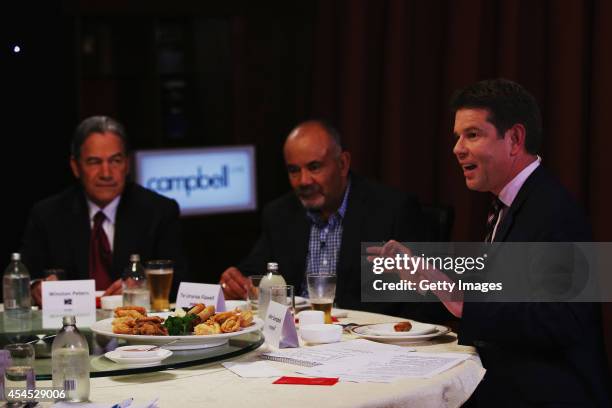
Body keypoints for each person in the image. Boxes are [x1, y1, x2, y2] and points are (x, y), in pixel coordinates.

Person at [373, 79, 610, 406]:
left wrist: (458, 298)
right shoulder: (512, 202)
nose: (457, 149)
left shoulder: (554, 209)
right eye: (457, 137)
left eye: (472, 134)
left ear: (514, 139)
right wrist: (424, 276)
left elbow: (561, 321)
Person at [220, 120, 438, 317]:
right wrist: (236, 282)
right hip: (297, 337)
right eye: (294, 170)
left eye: (314, 167)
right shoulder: (279, 214)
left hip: (367, 340)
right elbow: (255, 272)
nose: (303, 180)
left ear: (343, 163)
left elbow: (424, 296)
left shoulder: (393, 210)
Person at [21, 116, 186, 306]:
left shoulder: (159, 211)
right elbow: (25, 277)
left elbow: (181, 283)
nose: (106, 173)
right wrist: (36, 287)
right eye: (94, 162)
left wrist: (142, 288)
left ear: (127, 164)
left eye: (115, 161)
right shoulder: (47, 214)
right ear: (76, 167)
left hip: (136, 325)